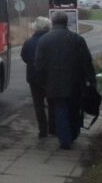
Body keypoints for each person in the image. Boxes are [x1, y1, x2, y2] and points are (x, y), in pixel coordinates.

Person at [34, 11, 95, 150]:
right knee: (74, 109)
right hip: (75, 82)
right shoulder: (77, 39)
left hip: (53, 83)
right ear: (66, 22)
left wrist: (41, 82)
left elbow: (39, 64)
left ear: (53, 22)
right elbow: (86, 61)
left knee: (60, 109)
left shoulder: (44, 40)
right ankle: (73, 133)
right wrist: (91, 80)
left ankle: (64, 139)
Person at [20, 17, 53, 138]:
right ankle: (53, 128)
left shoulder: (29, 42)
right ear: (48, 27)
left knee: (38, 105)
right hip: (50, 77)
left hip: (33, 77)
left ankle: (42, 130)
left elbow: (24, 56)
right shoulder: (51, 41)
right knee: (52, 102)